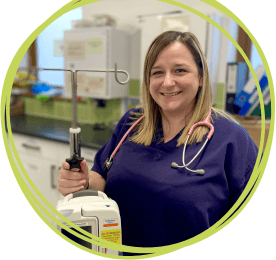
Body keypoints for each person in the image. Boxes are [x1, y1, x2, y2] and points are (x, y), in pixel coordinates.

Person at [58, 31, 258, 251]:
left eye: (180, 70)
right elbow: (101, 177)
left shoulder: (232, 141)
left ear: (201, 77)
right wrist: (82, 182)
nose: (168, 82)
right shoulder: (132, 124)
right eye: (157, 72)